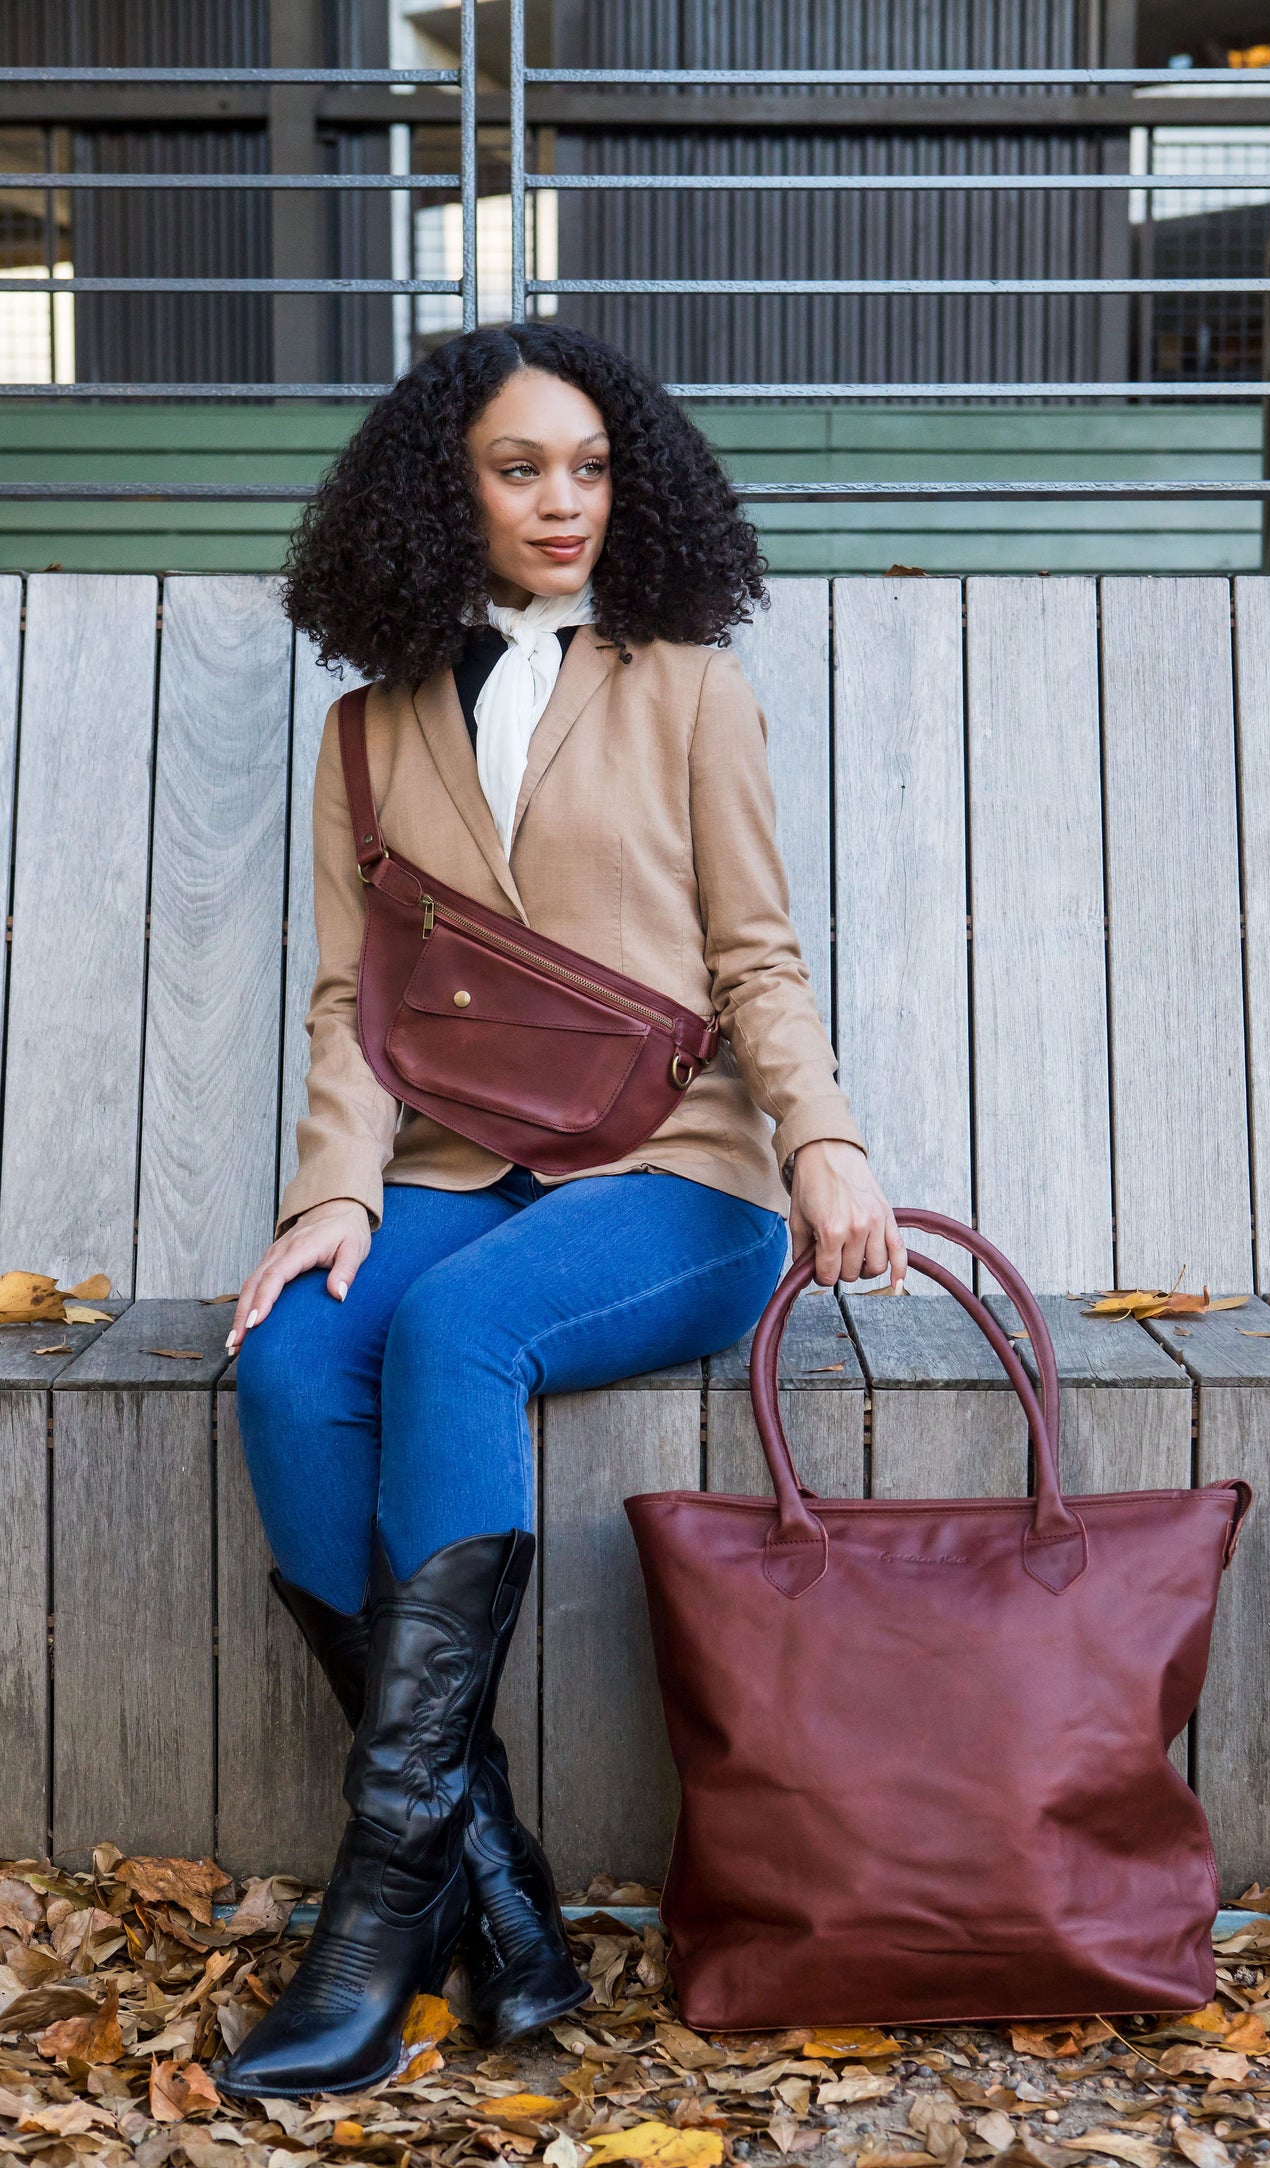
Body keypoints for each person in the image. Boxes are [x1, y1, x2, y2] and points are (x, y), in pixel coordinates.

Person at [216, 321, 906, 2102]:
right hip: (461, 1170)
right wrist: (330, 1196)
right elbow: (352, 1006)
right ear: (443, 485)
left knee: (460, 1330)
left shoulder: (687, 685)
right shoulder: (366, 734)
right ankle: (492, 1877)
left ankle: (377, 1916)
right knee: (295, 1355)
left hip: (678, 1178)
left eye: (590, 468)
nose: (561, 502)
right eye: (521, 468)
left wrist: (821, 1141)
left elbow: (755, 954)